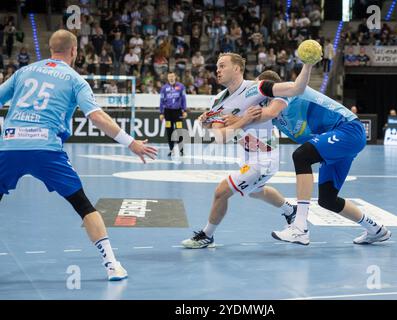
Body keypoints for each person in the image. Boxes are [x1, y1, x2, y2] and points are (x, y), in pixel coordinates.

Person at [0, 29, 158, 281]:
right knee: (83, 205)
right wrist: (131, 143)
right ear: (74, 51)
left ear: (51, 48)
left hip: (8, 146)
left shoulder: (23, 72)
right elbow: (96, 116)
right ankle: (112, 265)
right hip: (46, 149)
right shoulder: (74, 79)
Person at [222, 69, 392, 245]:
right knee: (328, 200)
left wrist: (238, 120)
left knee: (301, 156)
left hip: (348, 130)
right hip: (336, 142)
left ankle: (300, 228)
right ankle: (376, 230)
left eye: (260, 89)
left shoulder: (286, 94)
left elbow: (266, 114)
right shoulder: (271, 113)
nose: (255, 94)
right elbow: (252, 124)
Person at [181, 53, 300, 249]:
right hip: (246, 155)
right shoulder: (218, 99)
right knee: (256, 192)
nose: (217, 70)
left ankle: (207, 235)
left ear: (237, 68)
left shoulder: (258, 90)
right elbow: (219, 137)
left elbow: (278, 101)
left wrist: (241, 121)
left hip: (264, 157)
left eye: (222, 66)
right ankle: (290, 210)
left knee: (221, 192)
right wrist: (208, 123)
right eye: (217, 66)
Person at [159, 72, 187, 156]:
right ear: (167, 78)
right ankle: (171, 150)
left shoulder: (181, 87)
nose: (171, 78)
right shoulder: (164, 88)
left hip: (177, 112)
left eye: (172, 76)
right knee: (169, 131)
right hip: (168, 113)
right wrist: (161, 112)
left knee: (179, 131)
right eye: (169, 77)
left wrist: (184, 110)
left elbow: (183, 99)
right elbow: (161, 101)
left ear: (175, 77)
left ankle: (181, 150)